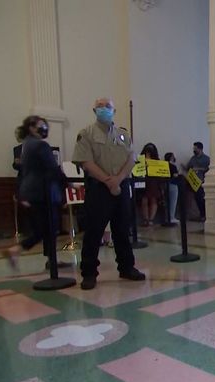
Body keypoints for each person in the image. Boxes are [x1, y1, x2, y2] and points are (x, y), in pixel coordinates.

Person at [72, 97, 145, 290]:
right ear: (94, 110)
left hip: (121, 186)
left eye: (108, 106)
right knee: (94, 231)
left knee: (122, 230)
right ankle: (89, 273)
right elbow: (85, 161)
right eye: (100, 106)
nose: (104, 109)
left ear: (114, 111)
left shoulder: (123, 135)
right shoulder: (86, 134)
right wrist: (108, 181)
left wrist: (118, 179)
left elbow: (131, 158)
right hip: (98, 188)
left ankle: (127, 267)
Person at [2, 116, 67, 269]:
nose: (44, 129)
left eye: (45, 126)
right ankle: (16, 250)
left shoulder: (27, 144)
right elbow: (52, 169)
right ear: (31, 128)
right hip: (42, 193)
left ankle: (52, 260)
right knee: (46, 228)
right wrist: (67, 184)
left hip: (31, 192)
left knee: (45, 228)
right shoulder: (40, 145)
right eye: (40, 126)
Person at [186, 141, 210, 222]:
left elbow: (209, 169)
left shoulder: (206, 159)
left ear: (200, 149)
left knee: (201, 199)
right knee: (196, 198)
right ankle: (200, 214)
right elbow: (188, 167)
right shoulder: (193, 158)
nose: (194, 150)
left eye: (195, 149)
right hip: (193, 182)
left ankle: (204, 215)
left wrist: (199, 169)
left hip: (202, 181)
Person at [140, 143, 163, 226]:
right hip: (144, 181)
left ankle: (151, 219)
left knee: (153, 200)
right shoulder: (140, 160)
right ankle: (146, 219)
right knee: (144, 200)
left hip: (153, 182)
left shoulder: (156, 161)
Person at [163, 152, 179, 224]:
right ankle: (171, 217)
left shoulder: (163, 166)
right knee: (173, 202)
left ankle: (167, 218)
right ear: (171, 157)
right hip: (173, 184)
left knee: (166, 202)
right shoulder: (173, 166)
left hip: (164, 185)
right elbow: (175, 176)